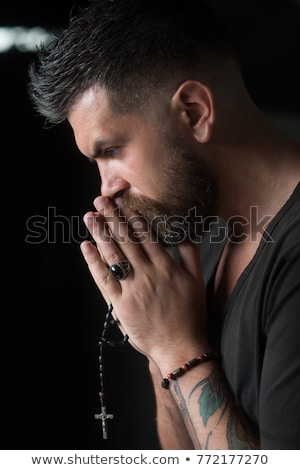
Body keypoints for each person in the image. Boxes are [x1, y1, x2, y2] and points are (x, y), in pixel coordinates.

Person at [27, 0, 300, 450]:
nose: (105, 190)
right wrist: (157, 342)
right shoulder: (198, 236)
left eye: (111, 150)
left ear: (193, 111)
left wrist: (178, 349)